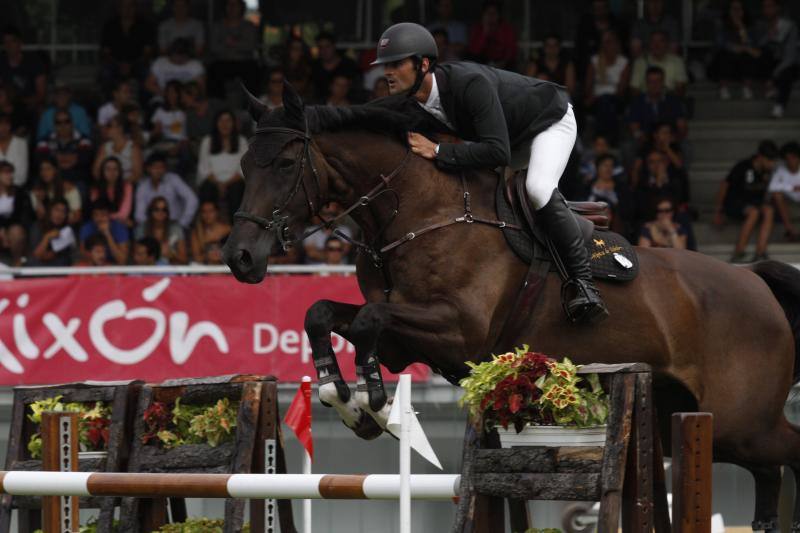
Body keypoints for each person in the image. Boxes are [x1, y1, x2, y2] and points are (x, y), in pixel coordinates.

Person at [375, 22, 607, 323]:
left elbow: (498, 152)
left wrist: (438, 151)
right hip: (513, 138)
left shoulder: (468, 83)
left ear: (422, 64)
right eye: (385, 65)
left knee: (537, 188)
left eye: (395, 64)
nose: (387, 72)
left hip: (550, 120)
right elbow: (366, 114)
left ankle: (585, 285)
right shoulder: (412, 103)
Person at [714, 139, 779, 262]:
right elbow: (724, 186)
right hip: (735, 203)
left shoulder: (768, 171)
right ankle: (738, 253)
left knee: (769, 210)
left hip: (754, 204)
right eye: (769, 160)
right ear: (760, 157)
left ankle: (760, 253)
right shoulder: (743, 167)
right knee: (754, 212)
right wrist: (718, 211)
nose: (772, 164)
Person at [197, 110, 247, 221]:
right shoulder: (207, 141)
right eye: (221, 121)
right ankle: (209, 225)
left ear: (234, 123)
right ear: (216, 123)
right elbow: (203, 168)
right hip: (212, 180)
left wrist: (226, 184)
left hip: (235, 181)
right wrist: (219, 184)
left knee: (236, 190)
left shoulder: (241, 141)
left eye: (228, 121)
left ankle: (233, 228)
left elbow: (244, 168)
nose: (225, 124)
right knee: (207, 189)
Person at [584, 30, 630, 143]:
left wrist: (607, 96)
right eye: (605, 42)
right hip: (596, 99)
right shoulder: (595, 61)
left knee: (607, 103)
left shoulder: (623, 62)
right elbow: (588, 86)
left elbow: (622, 89)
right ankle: (609, 140)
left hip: (615, 99)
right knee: (603, 104)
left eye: (610, 41)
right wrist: (590, 97)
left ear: (616, 43)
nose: (608, 45)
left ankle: (602, 139)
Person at [709, 0, 760, 101]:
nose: (736, 12)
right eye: (734, 9)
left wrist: (741, 28)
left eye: (739, 9)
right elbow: (720, 43)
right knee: (724, 54)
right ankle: (723, 88)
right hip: (725, 62)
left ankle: (747, 88)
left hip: (742, 62)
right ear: (729, 11)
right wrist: (735, 48)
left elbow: (752, 46)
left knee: (748, 56)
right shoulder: (721, 24)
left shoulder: (749, 27)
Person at [756, 0, 799, 119]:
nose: (767, 10)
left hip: (787, 64)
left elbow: (790, 56)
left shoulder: (789, 26)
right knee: (764, 54)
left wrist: (773, 77)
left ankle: (779, 106)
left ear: (777, 8)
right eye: (765, 7)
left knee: (786, 73)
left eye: (770, 6)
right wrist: (769, 36)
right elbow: (757, 48)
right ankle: (770, 87)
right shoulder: (761, 25)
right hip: (769, 64)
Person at [99, 0, 155, 91]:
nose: (127, 9)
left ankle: (144, 104)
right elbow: (105, 53)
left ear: (135, 8)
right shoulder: (109, 26)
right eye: (124, 6)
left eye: (130, 6)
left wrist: (131, 65)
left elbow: (147, 53)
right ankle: (110, 103)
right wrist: (120, 65)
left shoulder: (145, 26)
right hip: (115, 64)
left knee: (147, 74)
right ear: (119, 8)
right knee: (105, 73)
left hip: (138, 64)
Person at [208, 0, 259, 99]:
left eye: (235, 5)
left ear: (241, 7)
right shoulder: (217, 26)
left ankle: (251, 105)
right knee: (213, 70)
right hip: (222, 62)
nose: (232, 8)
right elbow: (214, 47)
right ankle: (217, 103)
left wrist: (230, 44)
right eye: (229, 4)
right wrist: (238, 45)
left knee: (253, 70)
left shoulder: (249, 26)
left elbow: (250, 46)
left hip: (244, 62)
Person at [135, 153, 198, 229]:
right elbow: (139, 214)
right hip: (152, 226)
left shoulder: (173, 179)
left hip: (175, 223)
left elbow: (192, 199)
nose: (158, 170)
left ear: (165, 169)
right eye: (155, 167)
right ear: (148, 169)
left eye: (161, 167)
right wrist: (149, 227)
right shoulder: (143, 186)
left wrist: (183, 223)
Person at [35, 109, 94, 189]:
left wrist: (57, 158)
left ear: (72, 123)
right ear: (54, 125)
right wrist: (71, 158)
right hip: (52, 181)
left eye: (67, 121)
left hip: (77, 181)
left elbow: (85, 159)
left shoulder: (84, 140)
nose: (63, 125)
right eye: (58, 122)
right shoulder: (44, 141)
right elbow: (41, 160)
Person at [628, 66, 688, 145]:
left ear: (663, 82)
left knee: (685, 145)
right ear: (646, 83)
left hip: (670, 140)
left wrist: (674, 138)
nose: (654, 85)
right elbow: (634, 127)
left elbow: (682, 125)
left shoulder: (673, 100)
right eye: (651, 82)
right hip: (645, 140)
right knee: (629, 146)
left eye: (657, 81)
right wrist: (643, 139)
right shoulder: (638, 102)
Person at [0, 26, 47, 114]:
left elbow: (41, 94)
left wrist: (21, 103)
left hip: (29, 106)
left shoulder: (34, 62)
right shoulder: (1, 62)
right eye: (5, 42)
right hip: (6, 106)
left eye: (12, 41)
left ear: (20, 43)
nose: (8, 45)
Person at [630, 31, 689, 97]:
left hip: (669, 100)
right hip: (645, 101)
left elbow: (680, 89)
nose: (656, 45)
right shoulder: (640, 62)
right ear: (649, 44)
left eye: (661, 41)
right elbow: (634, 89)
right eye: (653, 41)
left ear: (667, 43)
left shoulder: (677, 61)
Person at [134, 196, 188, 264]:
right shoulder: (141, 229)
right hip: (147, 270)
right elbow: (136, 258)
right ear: (150, 211)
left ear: (167, 212)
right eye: (156, 209)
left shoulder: (175, 228)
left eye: (164, 209)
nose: (160, 212)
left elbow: (184, 260)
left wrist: (172, 255)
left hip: (170, 271)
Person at [30, 157, 82, 226]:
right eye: (42, 169)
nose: (44, 172)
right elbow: (40, 217)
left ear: (55, 170)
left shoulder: (68, 188)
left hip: (66, 224)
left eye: (48, 169)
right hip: (46, 224)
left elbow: (77, 216)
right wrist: (39, 201)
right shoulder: (36, 191)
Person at [466, 1, 518, 70]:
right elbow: (474, 51)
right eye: (488, 13)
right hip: (482, 65)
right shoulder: (478, 29)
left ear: (499, 15)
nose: (491, 16)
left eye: (494, 14)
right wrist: (485, 31)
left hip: (502, 64)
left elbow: (511, 51)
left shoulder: (506, 29)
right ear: (483, 15)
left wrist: (502, 63)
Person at [310, 32, 360, 104]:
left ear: (334, 46)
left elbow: (357, 90)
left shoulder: (349, 65)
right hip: (321, 108)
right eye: (320, 47)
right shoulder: (314, 67)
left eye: (327, 46)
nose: (324, 51)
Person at [0, 161, 33, 266]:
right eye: (6, 173)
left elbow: (20, 216)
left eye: (11, 173)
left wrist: (4, 229)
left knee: (16, 232)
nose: (10, 176)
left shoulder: (20, 192)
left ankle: (17, 263)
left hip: (13, 227)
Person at [79, 198, 130, 265]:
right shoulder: (87, 228)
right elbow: (84, 256)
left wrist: (107, 234)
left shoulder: (119, 228)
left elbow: (122, 260)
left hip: (114, 266)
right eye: (96, 215)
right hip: (94, 265)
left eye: (103, 215)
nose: (99, 218)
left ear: (109, 215)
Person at [92, 115, 143, 182]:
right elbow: (95, 171)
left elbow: (137, 174)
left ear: (120, 128)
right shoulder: (104, 147)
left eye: (109, 126)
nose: (106, 129)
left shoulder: (133, 148)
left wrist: (120, 185)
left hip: (129, 186)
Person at [28, 198, 76, 267]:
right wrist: (47, 237)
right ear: (50, 210)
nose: (59, 214)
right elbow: (37, 255)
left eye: (63, 212)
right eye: (56, 210)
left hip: (58, 265)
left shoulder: (67, 231)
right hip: (38, 264)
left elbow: (50, 256)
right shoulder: (37, 226)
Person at [526, 35, 577, 99]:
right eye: (548, 45)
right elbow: (527, 87)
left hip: (561, 100)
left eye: (555, 45)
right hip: (539, 99)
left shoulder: (567, 64)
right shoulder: (536, 63)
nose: (551, 48)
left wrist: (550, 85)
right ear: (544, 48)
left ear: (559, 48)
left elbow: (570, 90)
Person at [768, 141, 800, 240]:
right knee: (777, 194)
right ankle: (789, 229)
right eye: (788, 159)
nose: (791, 161)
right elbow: (772, 187)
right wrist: (792, 188)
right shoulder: (780, 170)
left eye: (793, 158)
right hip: (788, 200)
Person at [90, 156, 133, 224]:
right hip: (100, 222)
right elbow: (96, 213)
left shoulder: (127, 186)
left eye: (115, 169)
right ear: (102, 171)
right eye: (108, 169)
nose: (112, 172)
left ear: (120, 171)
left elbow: (124, 214)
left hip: (119, 222)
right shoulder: (95, 188)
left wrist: (108, 217)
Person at [0, 112, 28, 187]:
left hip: (17, 189)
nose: (3, 128)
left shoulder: (21, 143)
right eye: (0, 124)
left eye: (6, 124)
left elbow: (22, 175)